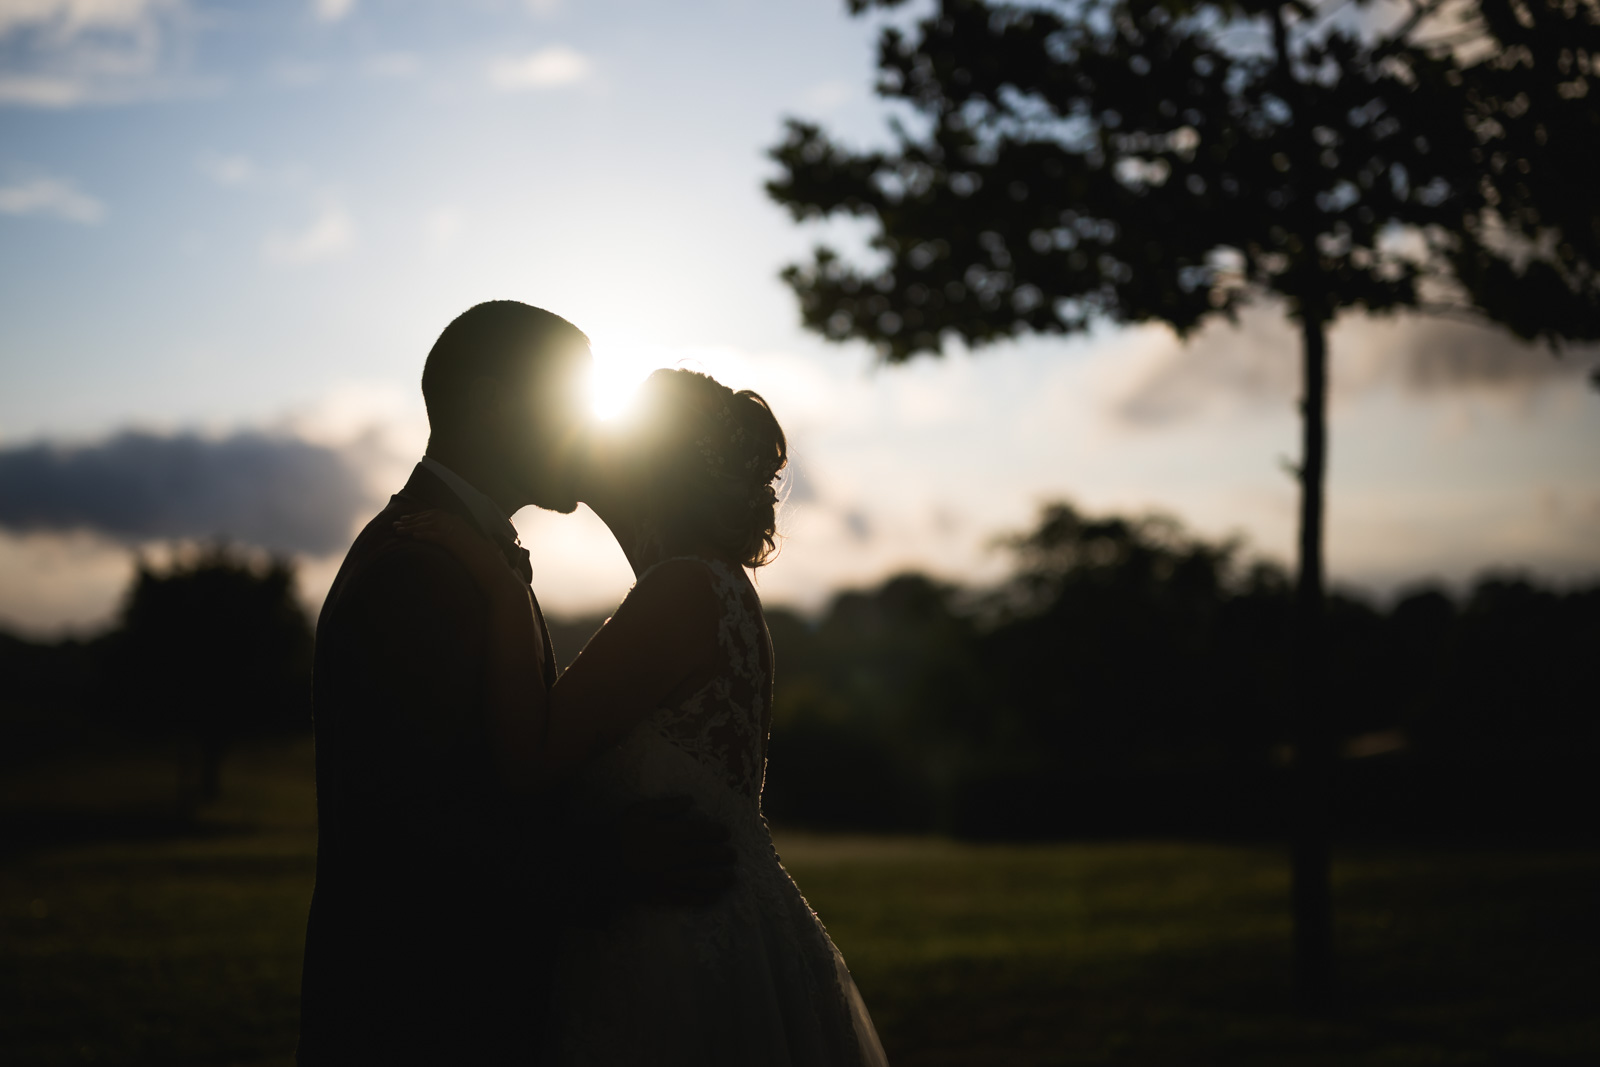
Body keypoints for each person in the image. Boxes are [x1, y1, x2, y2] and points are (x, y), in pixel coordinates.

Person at [396, 366, 889, 1065]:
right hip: (707, 928)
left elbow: (530, 760)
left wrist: (498, 586)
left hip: (676, 951)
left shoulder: (683, 589)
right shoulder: (712, 583)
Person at [296, 302, 736, 1065]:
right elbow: (416, 831)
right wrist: (611, 862)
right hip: (419, 1018)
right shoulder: (418, 570)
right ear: (493, 405)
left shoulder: (463, 554)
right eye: (570, 404)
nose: (591, 428)